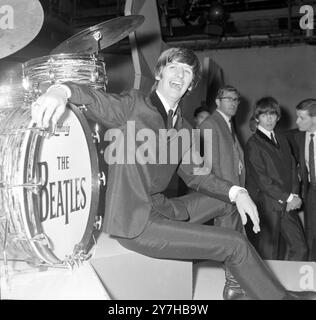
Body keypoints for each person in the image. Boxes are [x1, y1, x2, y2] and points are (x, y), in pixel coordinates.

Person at [32, 47, 316, 299]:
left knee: (228, 198)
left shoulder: (184, 130)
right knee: (235, 244)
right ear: (159, 73)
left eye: (188, 71)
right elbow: (95, 100)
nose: (180, 75)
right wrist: (62, 91)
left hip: (163, 209)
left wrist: (237, 192)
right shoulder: (132, 107)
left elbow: (198, 176)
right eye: (174, 67)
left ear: (192, 84)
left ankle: (236, 284)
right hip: (137, 225)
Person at [244, 97, 308, 261]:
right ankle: (268, 287)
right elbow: (262, 179)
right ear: (257, 118)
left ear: (278, 116)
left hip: (287, 204)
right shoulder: (253, 144)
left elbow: (294, 169)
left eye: (272, 114)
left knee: (300, 248)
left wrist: (293, 196)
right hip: (268, 205)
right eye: (264, 115)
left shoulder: (283, 139)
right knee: (269, 254)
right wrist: (286, 197)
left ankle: (290, 286)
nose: (269, 118)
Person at [295, 99, 316, 261]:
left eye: (302, 118)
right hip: (311, 193)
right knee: (310, 234)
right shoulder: (297, 138)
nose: (297, 121)